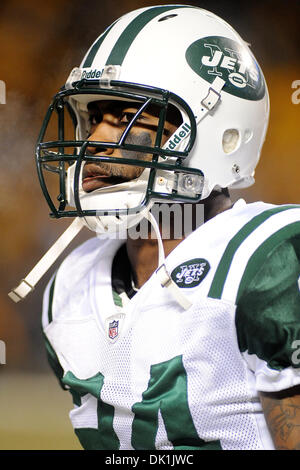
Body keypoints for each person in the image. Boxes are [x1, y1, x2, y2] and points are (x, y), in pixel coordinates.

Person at [19, 5, 300, 450]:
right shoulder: (70, 287)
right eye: (93, 118)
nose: (93, 141)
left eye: (126, 116)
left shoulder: (266, 261)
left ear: (220, 134)